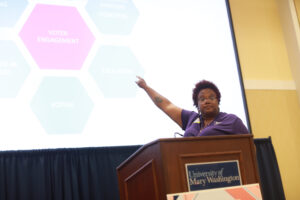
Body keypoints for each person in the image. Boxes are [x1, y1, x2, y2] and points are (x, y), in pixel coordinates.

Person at [135, 76, 249, 137]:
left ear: (218, 101)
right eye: (202, 99)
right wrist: (146, 87)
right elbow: (166, 106)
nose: (207, 101)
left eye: (211, 97)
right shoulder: (191, 118)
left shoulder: (232, 120)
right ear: (197, 105)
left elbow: (250, 147)